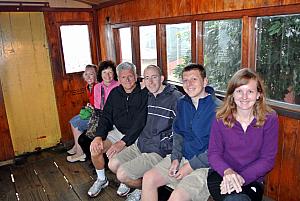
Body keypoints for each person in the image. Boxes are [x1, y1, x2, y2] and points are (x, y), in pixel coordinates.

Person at [142, 63, 220, 201]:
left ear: (205, 81)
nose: (189, 84)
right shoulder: (182, 103)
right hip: (182, 157)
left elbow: (219, 149)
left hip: (206, 166)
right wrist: (175, 159)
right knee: (148, 178)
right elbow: (178, 134)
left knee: (176, 197)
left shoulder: (219, 109)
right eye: (185, 80)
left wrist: (190, 166)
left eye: (194, 79)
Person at [108, 65, 183, 200]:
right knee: (112, 164)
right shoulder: (146, 96)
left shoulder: (175, 99)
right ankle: (141, 188)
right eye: (147, 78)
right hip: (141, 144)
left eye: (154, 77)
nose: (151, 82)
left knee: (122, 175)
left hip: (158, 150)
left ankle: (144, 190)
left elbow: (181, 130)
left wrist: (162, 144)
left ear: (162, 78)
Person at [207, 68, 279, 201]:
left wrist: (240, 178)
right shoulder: (221, 118)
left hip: (253, 179)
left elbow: (267, 159)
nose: (244, 97)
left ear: (258, 94)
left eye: (250, 91)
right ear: (232, 95)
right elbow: (213, 153)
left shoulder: (270, 119)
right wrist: (228, 172)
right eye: (239, 91)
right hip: (221, 174)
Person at [87, 62, 148, 197]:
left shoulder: (144, 93)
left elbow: (140, 122)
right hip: (118, 131)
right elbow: (106, 116)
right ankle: (102, 179)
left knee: (118, 156)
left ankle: (128, 182)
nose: (127, 80)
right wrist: (98, 136)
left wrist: (123, 142)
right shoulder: (115, 93)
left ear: (136, 76)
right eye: (123, 77)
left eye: (130, 76)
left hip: (138, 135)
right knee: (95, 149)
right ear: (118, 79)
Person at [75, 60, 119, 161]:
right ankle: (96, 162)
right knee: (82, 140)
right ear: (100, 74)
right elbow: (98, 108)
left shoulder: (118, 86)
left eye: (110, 72)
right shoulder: (98, 87)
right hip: (102, 118)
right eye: (104, 72)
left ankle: (104, 162)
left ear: (114, 73)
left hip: (114, 120)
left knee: (98, 140)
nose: (107, 76)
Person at [67, 64, 98, 162]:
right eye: (86, 74)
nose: (89, 77)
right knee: (73, 121)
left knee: (76, 124)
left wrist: (92, 107)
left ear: (96, 75)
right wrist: (89, 106)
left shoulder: (97, 86)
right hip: (93, 112)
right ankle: (77, 146)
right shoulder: (88, 86)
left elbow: (100, 106)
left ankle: (80, 153)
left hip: (97, 115)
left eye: (91, 74)